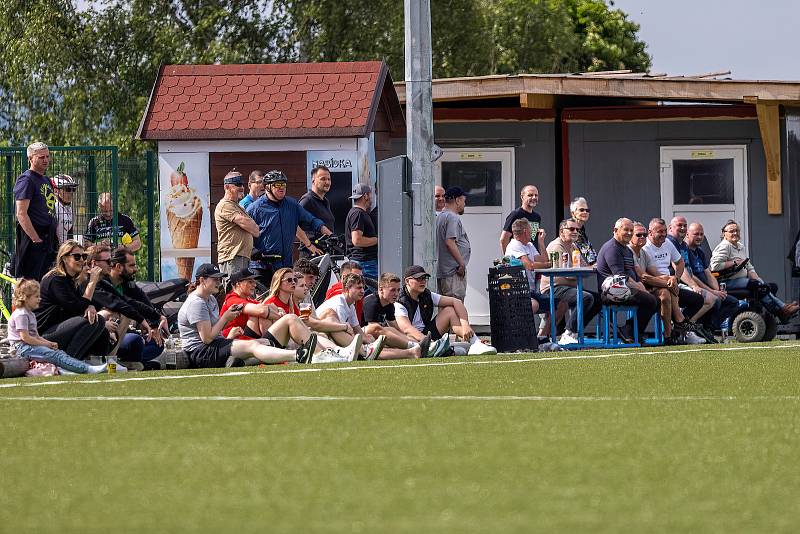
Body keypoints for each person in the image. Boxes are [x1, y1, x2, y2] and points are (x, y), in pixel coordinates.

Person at [177, 263, 317, 368]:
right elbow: (206, 339)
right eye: (215, 279)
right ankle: (299, 355)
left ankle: (237, 362)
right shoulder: (197, 303)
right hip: (200, 352)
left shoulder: (211, 298)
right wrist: (226, 318)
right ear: (202, 280)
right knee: (254, 345)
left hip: (216, 345)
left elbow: (215, 330)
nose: (219, 283)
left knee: (264, 343)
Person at [219, 268, 357, 362]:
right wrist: (343, 326)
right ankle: (329, 354)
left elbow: (310, 324)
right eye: (291, 281)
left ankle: (341, 352)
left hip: (257, 342)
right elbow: (262, 313)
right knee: (295, 320)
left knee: (320, 328)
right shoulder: (233, 299)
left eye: (295, 281)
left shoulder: (286, 302)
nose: (254, 284)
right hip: (243, 343)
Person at [87, 245, 167, 368]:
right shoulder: (92, 282)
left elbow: (136, 302)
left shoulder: (127, 284)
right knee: (133, 337)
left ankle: (128, 363)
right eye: (131, 265)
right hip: (94, 333)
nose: (136, 269)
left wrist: (155, 322)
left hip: (112, 333)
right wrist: (141, 319)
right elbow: (119, 303)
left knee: (156, 343)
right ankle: (109, 362)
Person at [9, 279, 113, 374]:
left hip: (29, 346)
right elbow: (25, 338)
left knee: (59, 353)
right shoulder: (21, 314)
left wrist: (48, 343)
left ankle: (73, 368)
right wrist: (45, 344)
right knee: (56, 355)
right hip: (22, 348)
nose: (39, 299)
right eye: (36, 297)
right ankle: (86, 369)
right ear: (26, 298)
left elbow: (35, 335)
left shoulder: (30, 314)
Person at [34, 240, 112, 360]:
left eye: (84, 256)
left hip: (59, 329)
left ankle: (97, 363)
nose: (82, 260)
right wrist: (92, 282)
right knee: (95, 320)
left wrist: (89, 307)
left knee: (101, 327)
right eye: (77, 256)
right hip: (43, 335)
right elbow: (78, 308)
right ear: (64, 258)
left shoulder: (69, 279)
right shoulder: (56, 279)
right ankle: (69, 362)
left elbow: (81, 307)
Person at [395, 265, 497, 355]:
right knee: (461, 350)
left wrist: (465, 325)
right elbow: (407, 329)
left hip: (427, 335)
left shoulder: (426, 294)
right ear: (407, 281)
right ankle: (441, 349)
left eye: (424, 278)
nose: (423, 281)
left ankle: (475, 342)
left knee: (450, 311)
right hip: (409, 339)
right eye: (418, 279)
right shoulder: (400, 302)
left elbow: (456, 302)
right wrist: (429, 343)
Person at [710, 220, 799, 322]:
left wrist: (757, 278)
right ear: (724, 234)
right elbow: (714, 266)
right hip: (726, 282)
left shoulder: (740, 246)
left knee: (769, 286)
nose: (735, 233)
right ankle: (782, 309)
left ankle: (781, 311)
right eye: (731, 231)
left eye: (737, 230)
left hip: (742, 280)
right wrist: (733, 262)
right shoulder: (724, 246)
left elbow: (748, 266)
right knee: (758, 286)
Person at [642, 217, 711, 343]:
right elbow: (650, 273)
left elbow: (680, 263)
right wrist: (670, 281)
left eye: (664, 231)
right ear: (650, 232)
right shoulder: (645, 247)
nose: (663, 235)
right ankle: (674, 330)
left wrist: (676, 278)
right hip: (653, 285)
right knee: (667, 293)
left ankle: (679, 329)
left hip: (669, 283)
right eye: (660, 232)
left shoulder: (667, 243)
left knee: (698, 299)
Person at [246, 170, 331, 269]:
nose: (282, 187)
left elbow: (312, 220)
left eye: (283, 184)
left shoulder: (292, 204)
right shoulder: (254, 208)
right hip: (262, 266)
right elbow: (243, 233)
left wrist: (331, 235)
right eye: (277, 184)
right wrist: (252, 250)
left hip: (285, 265)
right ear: (267, 187)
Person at [595, 218, 659, 342]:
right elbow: (620, 276)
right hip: (611, 292)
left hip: (627, 288)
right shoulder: (612, 248)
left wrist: (641, 284)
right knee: (650, 300)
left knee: (657, 301)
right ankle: (630, 332)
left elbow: (633, 272)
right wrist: (639, 287)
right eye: (626, 230)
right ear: (615, 230)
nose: (629, 233)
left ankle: (630, 330)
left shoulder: (626, 249)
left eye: (631, 230)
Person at [541, 220, 601, 345]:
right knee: (585, 297)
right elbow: (566, 273)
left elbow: (584, 267)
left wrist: (590, 267)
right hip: (553, 288)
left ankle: (575, 332)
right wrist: (583, 271)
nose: (576, 232)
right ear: (562, 231)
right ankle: (568, 332)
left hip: (568, 288)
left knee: (598, 299)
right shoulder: (557, 246)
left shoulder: (573, 246)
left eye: (577, 230)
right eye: (572, 229)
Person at [504, 218, 566, 337]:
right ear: (525, 231)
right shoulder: (514, 245)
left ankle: (542, 337)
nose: (533, 232)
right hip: (516, 292)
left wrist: (541, 242)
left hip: (530, 291)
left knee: (561, 304)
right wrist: (547, 264)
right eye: (531, 229)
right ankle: (520, 337)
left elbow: (543, 260)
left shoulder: (529, 245)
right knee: (533, 304)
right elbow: (530, 265)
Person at [629, 221, 687, 344]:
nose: (642, 237)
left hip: (647, 287)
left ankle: (670, 334)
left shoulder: (643, 252)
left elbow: (654, 272)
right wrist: (668, 283)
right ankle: (678, 324)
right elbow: (643, 277)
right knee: (663, 293)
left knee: (696, 298)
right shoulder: (629, 252)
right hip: (631, 289)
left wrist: (673, 279)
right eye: (638, 235)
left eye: (644, 235)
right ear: (630, 237)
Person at [361, 273, 442, 358]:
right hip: (360, 336)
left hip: (370, 337)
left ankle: (421, 346)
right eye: (392, 290)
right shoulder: (371, 302)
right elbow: (373, 329)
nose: (396, 294)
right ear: (381, 290)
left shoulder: (389, 304)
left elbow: (395, 327)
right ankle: (416, 347)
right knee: (377, 328)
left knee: (391, 329)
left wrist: (408, 338)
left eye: (398, 290)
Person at [666, 216, 718, 340]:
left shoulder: (683, 244)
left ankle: (686, 329)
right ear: (670, 227)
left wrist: (715, 289)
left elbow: (689, 269)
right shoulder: (670, 242)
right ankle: (685, 329)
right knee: (708, 299)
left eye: (685, 225)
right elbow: (679, 268)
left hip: (683, 283)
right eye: (679, 225)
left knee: (712, 299)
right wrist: (693, 285)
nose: (683, 228)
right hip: (673, 283)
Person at [316, 273, 389, 359]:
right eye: (359, 288)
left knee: (370, 338)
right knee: (339, 330)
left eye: (363, 288)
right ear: (347, 289)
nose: (362, 291)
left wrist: (371, 342)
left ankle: (368, 351)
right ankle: (365, 352)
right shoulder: (339, 303)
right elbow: (340, 332)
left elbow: (357, 330)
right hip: (320, 335)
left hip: (327, 335)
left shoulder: (351, 305)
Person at [684, 222, 740, 333]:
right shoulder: (685, 251)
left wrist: (717, 290)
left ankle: (709, 328)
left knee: (732, 302)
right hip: (693, 287)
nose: (699, 237)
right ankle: (695, 326)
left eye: (701, 234)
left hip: (708, 288)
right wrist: (712, 292)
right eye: (696, 234)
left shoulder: (700, 252)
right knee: (716, 300)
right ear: (687, 234)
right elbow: (691, 276)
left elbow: (708, 273)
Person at [13, 141, 56, 280]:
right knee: (30, 283)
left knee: (45, 281)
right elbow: (21, 213)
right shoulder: (26, 180)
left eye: (47, 157)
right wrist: (35, 239)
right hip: (33, 238)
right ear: (30, 158)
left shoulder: (46, 180)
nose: (46, 160)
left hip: (46, 237)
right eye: (41, 157)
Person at [214, 170, 259, 276]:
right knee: (234, 291)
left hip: (241, 257)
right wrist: (250, 224)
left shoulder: (238, 206)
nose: (241, 187)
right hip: (232, 258)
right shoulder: (225, 205)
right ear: (226, 187)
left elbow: (255, 230)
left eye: (242, 184)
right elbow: (253, 228)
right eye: (237, 184)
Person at [435, 186, 470, 301]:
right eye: (464, 201)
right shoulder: (452, 217)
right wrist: (461, 264)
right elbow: (450, 242)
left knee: (447, 308)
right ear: (457, 200)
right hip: (452, 273)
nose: (464, 204)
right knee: (455, 306)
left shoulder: (441, 216)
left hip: (444, 272)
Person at [345, 183, 379, 280]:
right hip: (365, 263)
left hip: (363, 262)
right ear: (365, 196)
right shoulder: (358, 213)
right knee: (373, 292)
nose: (372, 198)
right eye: (370, 194)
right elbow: (357, 240)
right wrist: (378, 240)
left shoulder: (356, 213)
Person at [499, 185, 541, 253]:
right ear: (522, 197)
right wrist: (508, 259)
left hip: (533, 257)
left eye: (536, 195)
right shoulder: (515, 215)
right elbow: (504, 239)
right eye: (530, 195)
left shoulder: (537, 217)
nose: (534, 197)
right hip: (519, 258)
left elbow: (534, 239)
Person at [299, 165, 336, 242]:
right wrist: (309, 245)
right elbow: (295, 226)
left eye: (329, 179)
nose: (327, 182)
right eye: (323, 179)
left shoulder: (325, 201)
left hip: (326, 251)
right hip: (312, 252)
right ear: (313, 181)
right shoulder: (307, 200)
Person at [51, 174, 78, 246]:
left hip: (64, 250)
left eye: (73, 189)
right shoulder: (53, 208)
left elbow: (69, 233)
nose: (71, 192)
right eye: (68, 189)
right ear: (56, 191)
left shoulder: (68, 207)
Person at [568, 197, 597, 265]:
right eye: (581, 210)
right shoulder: (567, 228)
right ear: (573, 213)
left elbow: (590, 256)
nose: (585, 212)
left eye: (587, 210)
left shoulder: (581, 230)